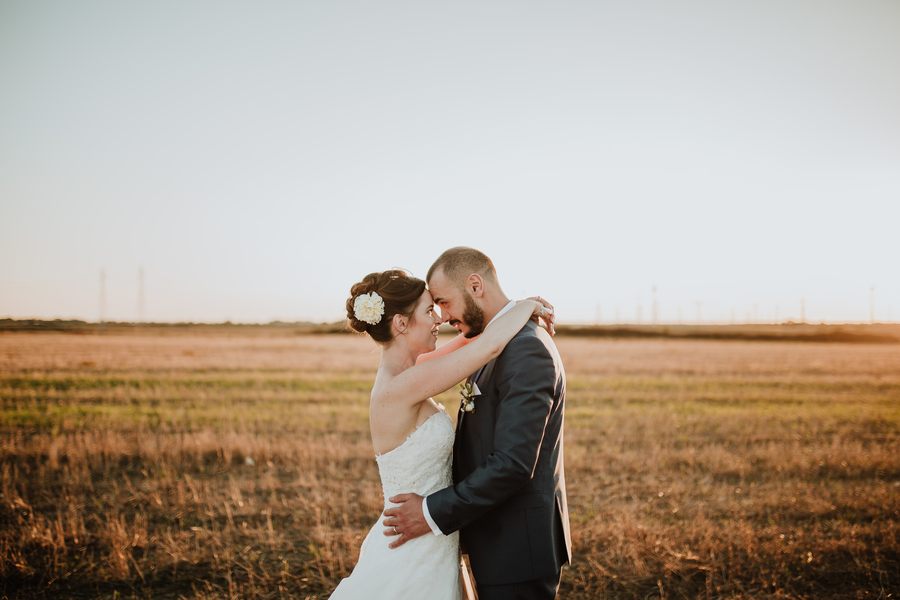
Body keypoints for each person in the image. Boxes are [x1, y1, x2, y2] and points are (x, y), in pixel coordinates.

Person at [329, 268, 554, 600]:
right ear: (401, 324)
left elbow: (471, 340)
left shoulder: (410, 371)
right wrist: (522, 307)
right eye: (428, 310)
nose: (439, 319)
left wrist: (505, 313)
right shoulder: (401, 386)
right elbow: (488, 347)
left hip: (433, 533)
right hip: (414, 542)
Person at [382, 247, 571, 600]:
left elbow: (513, 465)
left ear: (474, 284)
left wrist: (429, 512)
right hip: (492, 539)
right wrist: (520, 308)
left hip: (516, 549)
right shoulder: (492, 343)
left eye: (444, 302)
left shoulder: (525, 350)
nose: (442, 316)